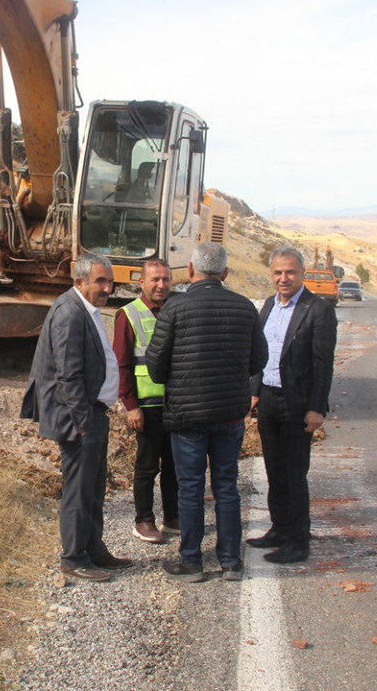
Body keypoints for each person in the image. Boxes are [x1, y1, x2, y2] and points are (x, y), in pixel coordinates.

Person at [145, 242, 268, 582]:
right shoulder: (245, 308)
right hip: (229, 413)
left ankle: (192, 561)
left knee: (191, 487)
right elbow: (259, 361)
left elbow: (156, 365)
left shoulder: (174, 308)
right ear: (225, 273)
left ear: (189, 269)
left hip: (187, 416)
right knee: (227, 486)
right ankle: (230, 561)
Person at [21, 252, 133, 582]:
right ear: (79, 282)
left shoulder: (86, 308)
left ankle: (94, 549)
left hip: (91, 414)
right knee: (79, 489)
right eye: (101, 280)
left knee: (94, 487)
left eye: (110, 281)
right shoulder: (70, 312)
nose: (108, 287)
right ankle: (73, 557)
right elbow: (67, 376)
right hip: (79, 419)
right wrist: (84, 423)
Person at [249, 246, 338, 564]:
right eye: (277, 272)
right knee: (274, 469)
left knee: (294, 472)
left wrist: (317, 408)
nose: (283, 278)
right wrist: (254, 390)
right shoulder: (270, 304)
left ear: (301, 274)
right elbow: (259, 351)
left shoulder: (318, 309)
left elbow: (323, 363)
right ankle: (280, 528)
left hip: (298, 403)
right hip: (269, 399)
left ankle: (299, 541)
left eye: (289, 272)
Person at [112, 259, 178, 545]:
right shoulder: (129, 315)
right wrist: (131, 406)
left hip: (176, 405)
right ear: (141, 282)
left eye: (165, 279)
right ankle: (144, 520)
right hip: (146, 407)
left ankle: (173, 518)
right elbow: (122, 364)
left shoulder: (176, 311)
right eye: (155, 279)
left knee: (175, 465)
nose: (161, 285)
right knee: (148, 466)